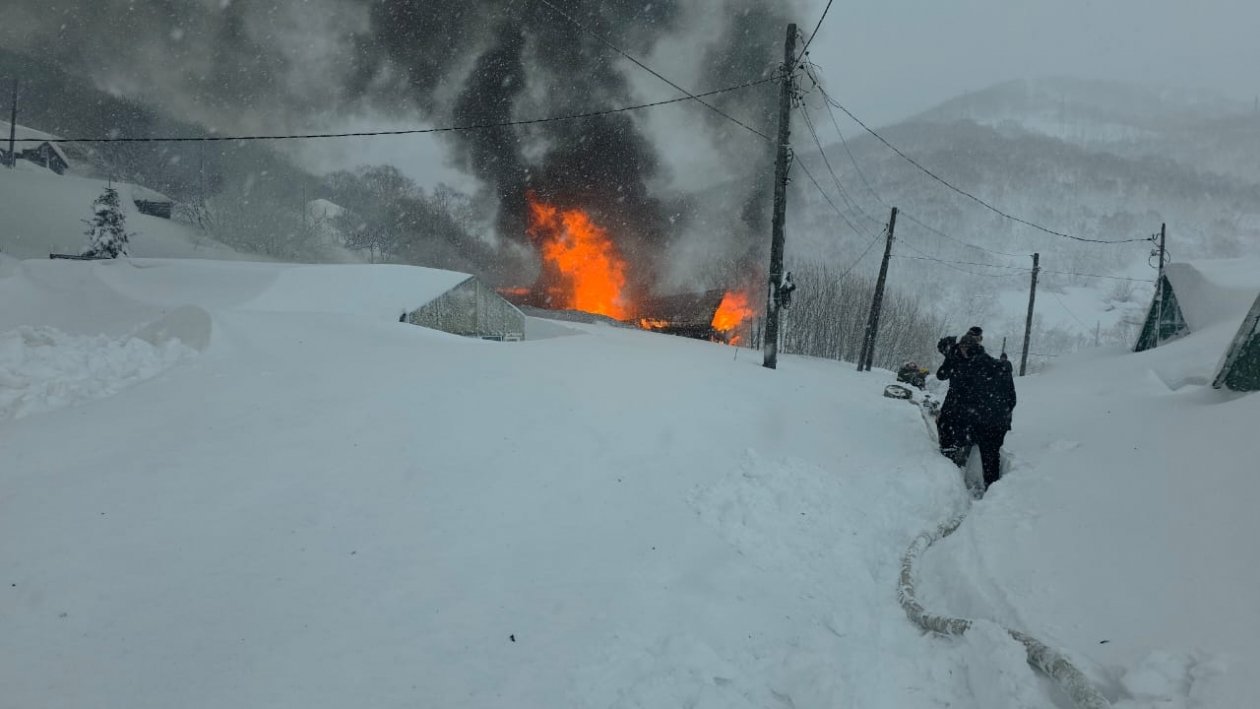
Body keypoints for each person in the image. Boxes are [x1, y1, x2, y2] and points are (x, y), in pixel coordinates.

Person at [935, 326, 1016, 491]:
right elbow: (1010, 397)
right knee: (989, 454)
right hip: (993, 417)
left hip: (982, 415)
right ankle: (990, 490)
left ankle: (956, 465)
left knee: (984, 450)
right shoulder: (987, 362)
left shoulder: (974, 363)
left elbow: (970, 391)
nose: (963, 352)